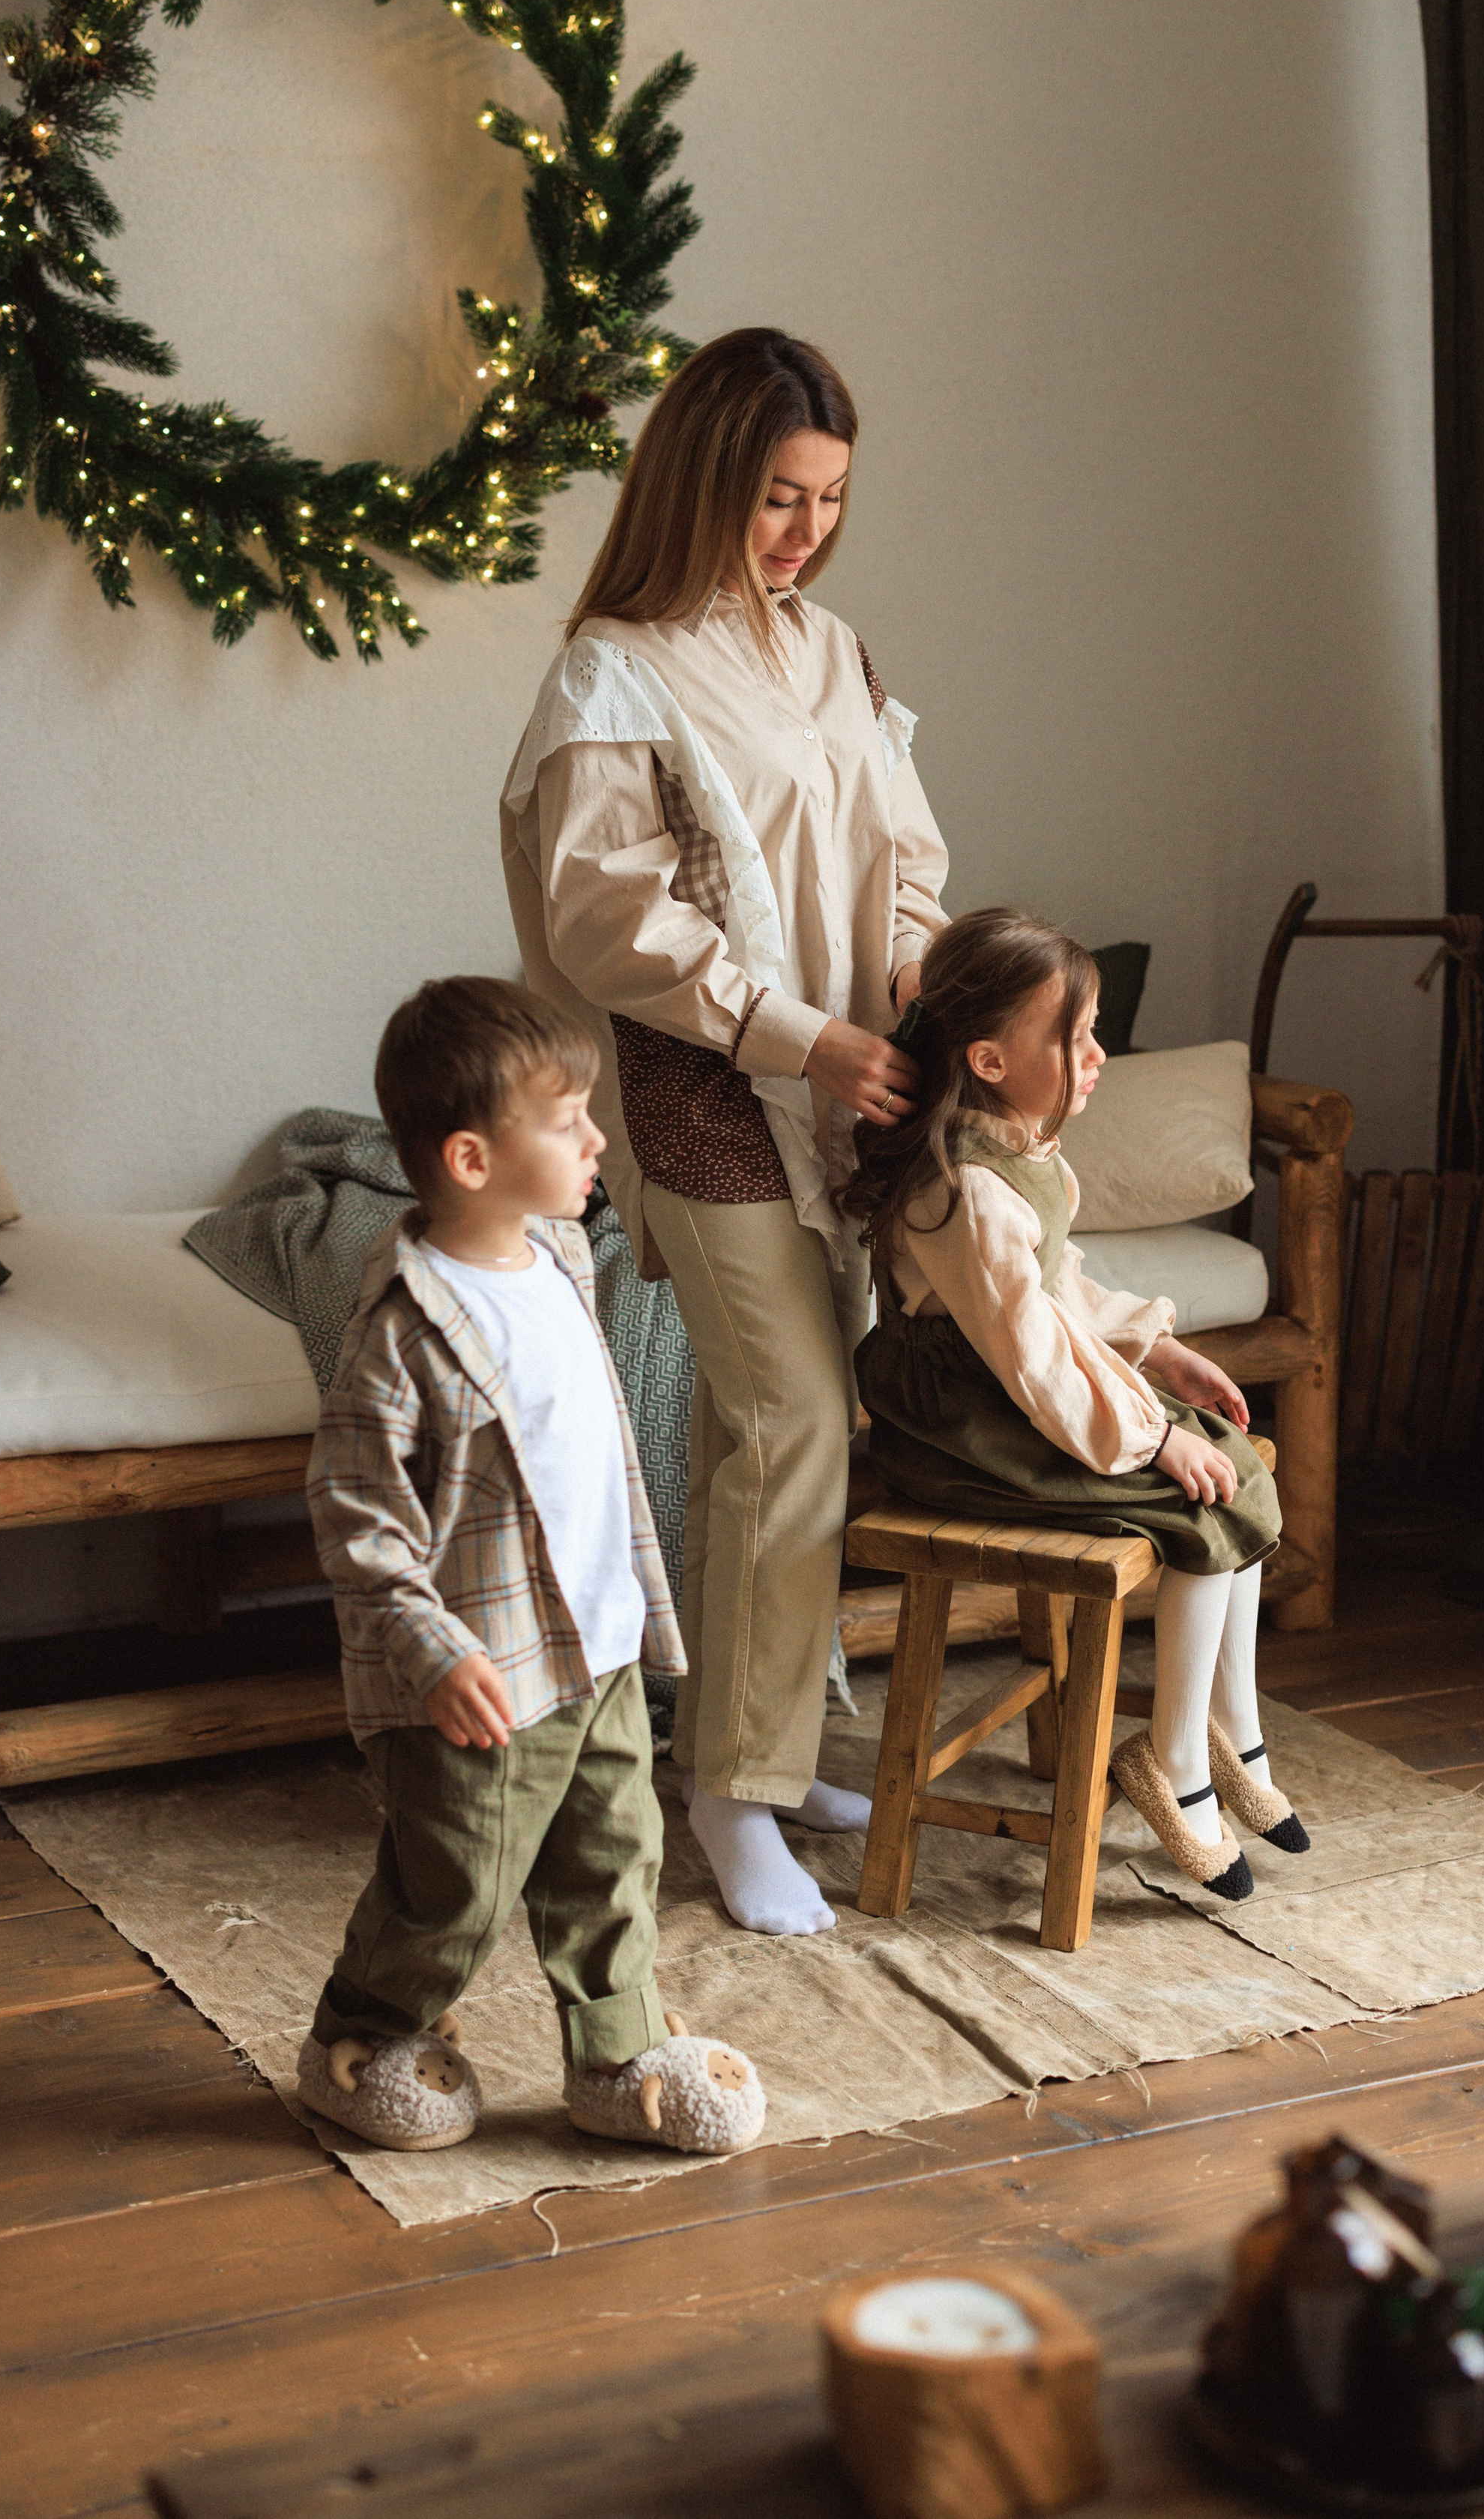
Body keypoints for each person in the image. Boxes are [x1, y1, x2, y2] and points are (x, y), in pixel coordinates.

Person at [501, 328, 949, 1939]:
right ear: (703, 477)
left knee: (760, 1433)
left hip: (842, 1070)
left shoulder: (831, 651)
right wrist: (796, 1032)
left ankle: (735, 1746)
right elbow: (607, 918)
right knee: (795, 1415)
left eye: (827, 499)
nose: (804, 531)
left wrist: (907, 971)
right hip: (698, 1079)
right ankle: (732, 1794)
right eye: (776, 496)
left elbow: (902, 849)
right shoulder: (614, 668)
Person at [297, 976, 764, 2158]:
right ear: (467, 1157)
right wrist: (430, 1646)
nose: (596, 1137)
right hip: (484, 1668)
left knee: (614, 1855)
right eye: (565, 1121)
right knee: (453, 1881)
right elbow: (358, 1517)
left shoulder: (561, 1253)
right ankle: (363, 2035)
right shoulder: (403, 1329)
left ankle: (617, 2055)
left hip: (599, 1638)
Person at [839, 908, 1312, 1899]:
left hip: (1011, 1390)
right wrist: (1149, 1443)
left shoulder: (1014, 1147)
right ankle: (1173, 1762)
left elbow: (1063, 1288)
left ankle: (1231, 1729)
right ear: (991, 1058)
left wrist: (1160, 1349)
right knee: (1199, 1497)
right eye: (1076, 1035)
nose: (1097, 1055)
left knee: (1242, 1461)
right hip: (963, 1425)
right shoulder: (967, 1187)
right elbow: (1032, 1349)